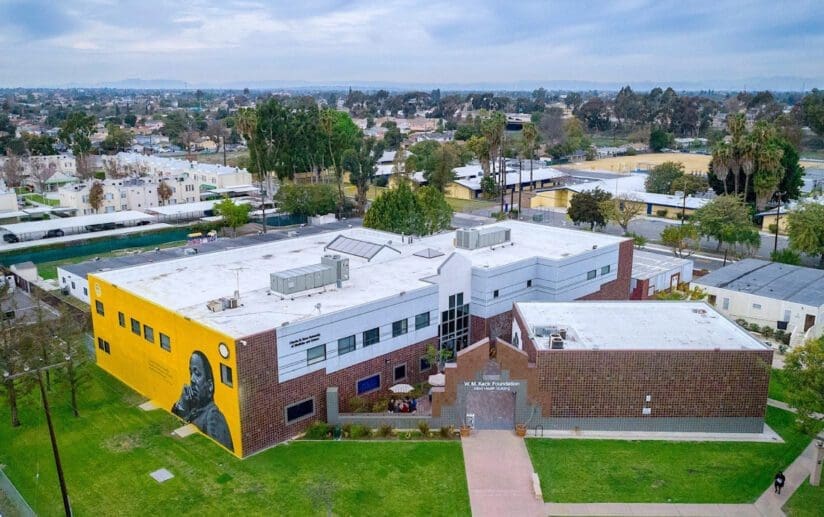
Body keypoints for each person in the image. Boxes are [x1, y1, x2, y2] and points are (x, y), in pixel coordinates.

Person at [172, 350, 234, 451]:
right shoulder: (194, 410)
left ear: (209, 386)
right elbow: (175, 428)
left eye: (197, 374)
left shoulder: (213, 417)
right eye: (191, 373)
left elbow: (218, 454)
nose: (192, 379)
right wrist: (182, 406)